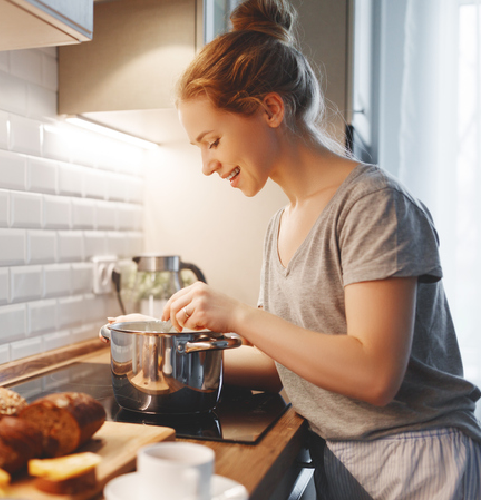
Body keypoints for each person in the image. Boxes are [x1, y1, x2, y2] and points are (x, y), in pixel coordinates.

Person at [154, 0, 481, 498]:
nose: (206, 164)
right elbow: (287, 362)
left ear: (270, 109)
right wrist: (169, 358)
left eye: (212, 140)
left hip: (415, 461)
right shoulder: (280, 223)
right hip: (345, 457)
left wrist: (238, 315)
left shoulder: (373, 204)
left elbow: (374, 374)